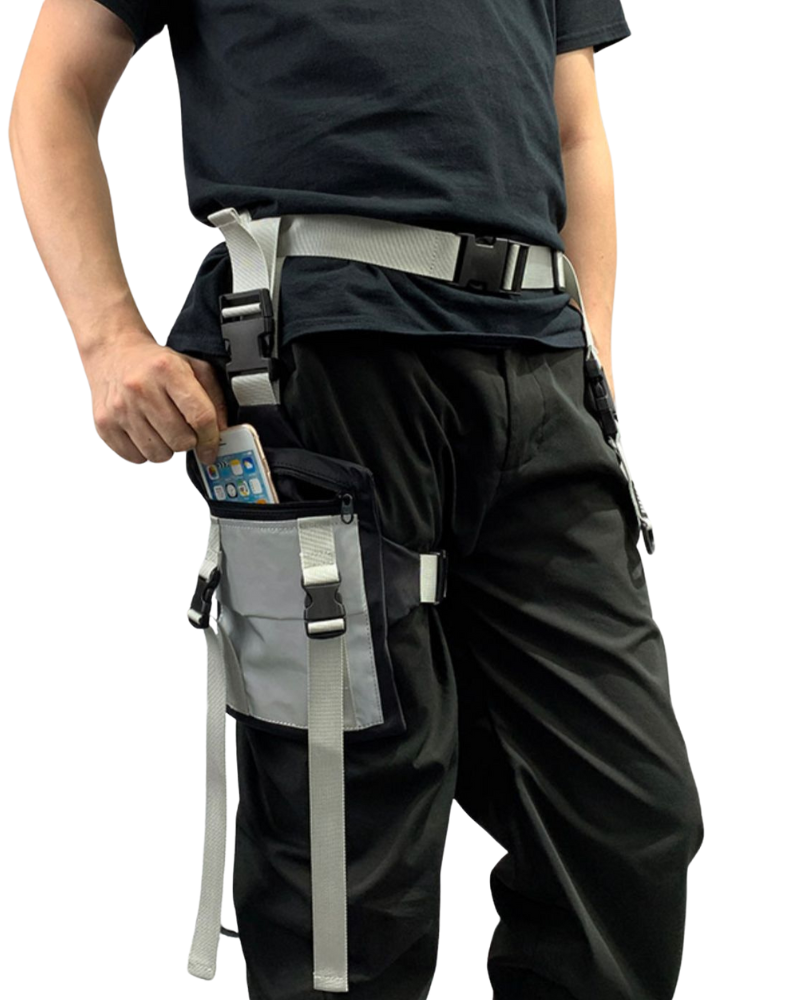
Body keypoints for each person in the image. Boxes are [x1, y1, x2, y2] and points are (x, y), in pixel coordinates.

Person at [9, 1, 705, 998]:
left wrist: (589, 347)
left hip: (540, 368)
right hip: (326, 363)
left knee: (624, 820)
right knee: (348, 867)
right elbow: (55, 86)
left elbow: (574, 131)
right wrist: (106, 336)